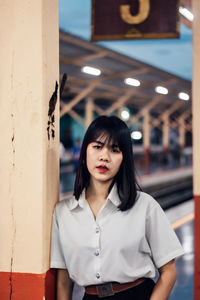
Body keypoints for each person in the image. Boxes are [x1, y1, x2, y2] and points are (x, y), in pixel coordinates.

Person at [50, 116, 184, 300]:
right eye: (97, 147)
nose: (104, 157)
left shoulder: (144, 205)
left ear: (124, 159)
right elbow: (63, 281)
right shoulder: (63, 212)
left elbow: (169, 271)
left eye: (115, 150)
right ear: (84, 152)